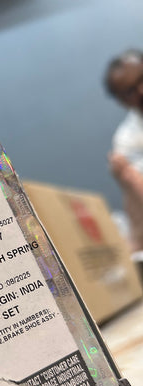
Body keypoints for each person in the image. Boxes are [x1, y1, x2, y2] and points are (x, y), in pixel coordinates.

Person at [104, 49, 143, 251]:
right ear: (121, 100)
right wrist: (127, 176)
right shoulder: (126, 141)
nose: (141, 91)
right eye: (130, 90)